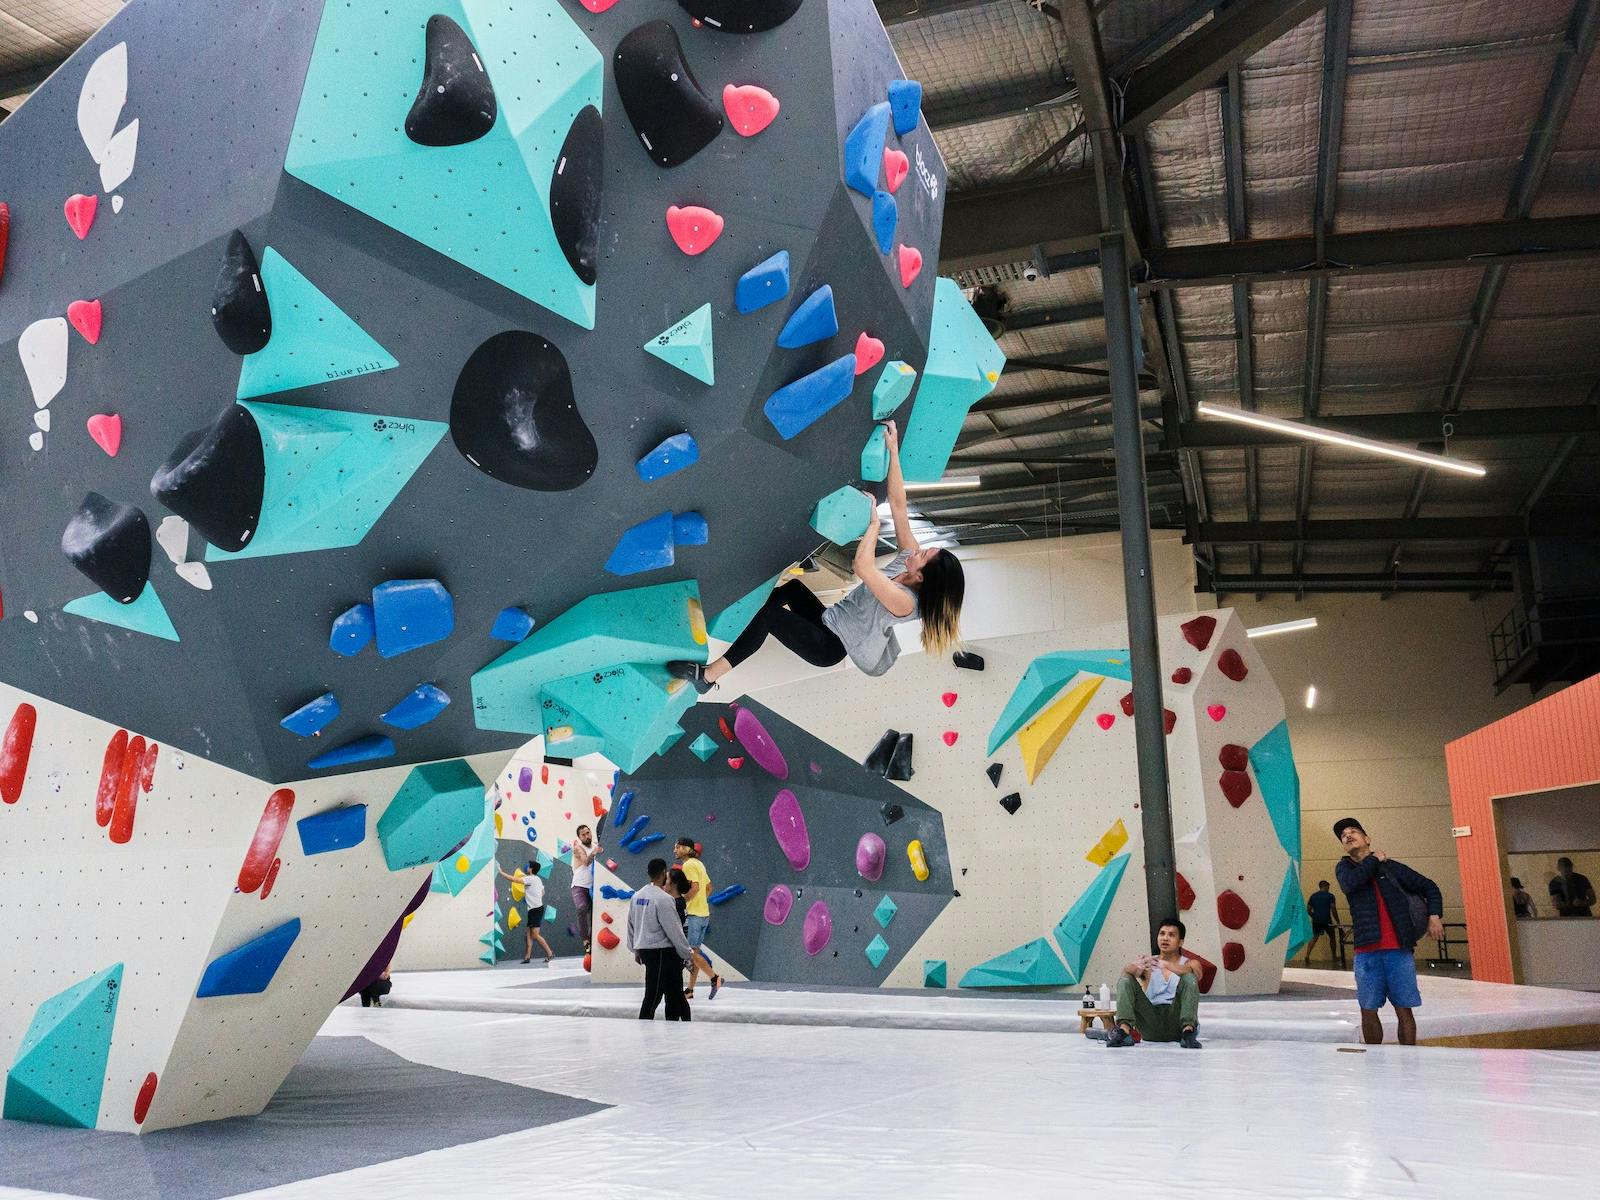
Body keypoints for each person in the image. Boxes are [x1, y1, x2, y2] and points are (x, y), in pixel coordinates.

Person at [666, 421, 964, 693]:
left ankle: (707, 677)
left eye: (924, 555)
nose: (917, 550)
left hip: (830, 646)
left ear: (922, 576)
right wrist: (893, 451)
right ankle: (731, 621)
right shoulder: (908, 559)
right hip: (829, 620)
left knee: (770, 617)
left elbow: (863, 566)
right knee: (792, 590)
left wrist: (874, 526)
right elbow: (899, 506)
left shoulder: (904, 603)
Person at [1333, 816, 1444, 1046]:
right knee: (1368, 1009)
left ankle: (1410, 1060)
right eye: (1344, 836)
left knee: (1404, 1009)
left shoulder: (1391, 868)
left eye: (1353, 831)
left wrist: (1434, 916)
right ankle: (1375, 1067)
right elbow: (1352, 883)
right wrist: (1373, 860)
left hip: (1398, 950)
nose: (1348, 835)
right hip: (1366, 952)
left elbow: (1429, 886)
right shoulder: (1344, 868)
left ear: (1367, 838)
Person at [1104, 918, 1203, 1049]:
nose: (1165, 938)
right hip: (1150, 1023)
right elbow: (1125, 973)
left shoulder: (1190, 963)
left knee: (1189, 978)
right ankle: (1124, 1032)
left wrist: (1166, 964)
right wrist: (1135, 966)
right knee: (1125, 980)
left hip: (1177, 1023)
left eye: (1171, 935)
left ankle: (1188, 1032)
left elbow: (1195, 974)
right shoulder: (1149, 963)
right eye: (1162, 934)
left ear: (1181, 942)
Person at [627, 858, 693, 1022]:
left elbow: (630, 925)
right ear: (664, 873)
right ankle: (645, 1026)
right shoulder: (663, 899)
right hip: (663, 953)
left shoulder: (637, 896)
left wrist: (636, 949)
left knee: (673, 994)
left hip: (646, 951)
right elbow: (674, 930)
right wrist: (687, 954)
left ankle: (678, 1025)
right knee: (655, 995)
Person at [675, 837, 724, 1000]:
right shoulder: (699, 864)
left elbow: (695, 888)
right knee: (694, 952)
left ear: (687, 849)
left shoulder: (688, 865)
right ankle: (689, 990)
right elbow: (709, 887)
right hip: (704, 914)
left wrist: (683, 902)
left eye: (678, 847)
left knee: (690, 952)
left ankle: (714, 977)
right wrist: (701, 900)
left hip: (694, 915)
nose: (675, 850)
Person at [498, 857, 554, 964]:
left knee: (535, 935)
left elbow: (515, 880)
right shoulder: (537, 879)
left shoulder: (530, 879)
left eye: (529, 866)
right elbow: (543, 892)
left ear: (531, 869)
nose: (527, 867)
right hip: (535, 908)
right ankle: (527, 957)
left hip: (535, 910)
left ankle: (550, 953)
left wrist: (501, 872)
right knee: (528, 933)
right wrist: (535, 898)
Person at [571, 824, 601, 953]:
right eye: (583, 835)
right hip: (579, 886)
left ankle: (592, 941)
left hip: (593, 886)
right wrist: (595, 852)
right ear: (579, 837)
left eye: (588, 832)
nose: (587, 836)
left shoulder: (595, 845)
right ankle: (585, 941)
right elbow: (586, 862)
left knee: (595, 915)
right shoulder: (578, 848)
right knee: (582, 908)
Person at [1303, 880, 1340, 965]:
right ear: (1326, 886)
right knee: (1332, 938)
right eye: (1328, 887)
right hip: (1327, 920)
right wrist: (1338, 921)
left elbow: (1308, 910)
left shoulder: (1313, 896)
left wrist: (1314, 916)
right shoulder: (1330, 896)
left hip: (1316, 921)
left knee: (1314, 938)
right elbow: (1333, 909)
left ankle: (1307, 955)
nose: (1329, 889)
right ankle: (1334, 957)